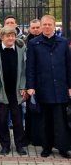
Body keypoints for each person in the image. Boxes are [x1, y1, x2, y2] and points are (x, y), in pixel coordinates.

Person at [26, 15, 71, 159]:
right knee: (45, 121)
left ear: (54, 26)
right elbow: (30, 66)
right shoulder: (34, 43)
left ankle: (63, 147)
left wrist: (70, 86)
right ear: (41, 26)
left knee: (60, 120)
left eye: (49, 24)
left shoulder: (63, 42)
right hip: (42, 87)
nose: (46, 27)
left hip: (60, 87)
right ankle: (47, 147)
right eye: (44, 24)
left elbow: (68, 65)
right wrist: (31, 86)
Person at [0, 27, 28, 156]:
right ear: (2, 37)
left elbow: (24, 71)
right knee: (2, 120)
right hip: (1, 90)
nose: (11, 38)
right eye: (8, 36)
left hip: (16, 91)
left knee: (18, 120)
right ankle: (5, 145)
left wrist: (23, 86)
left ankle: (20, 145)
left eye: (13, 36)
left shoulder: (21, 49)